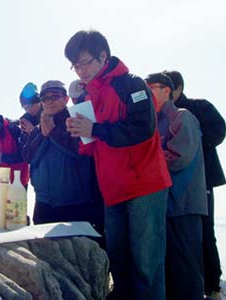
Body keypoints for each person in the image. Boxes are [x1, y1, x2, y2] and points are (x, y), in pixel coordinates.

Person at [64, 30, 172, 300]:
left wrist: (95, 129)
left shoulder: (132, 84)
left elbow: (142, 129)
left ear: (103, 56)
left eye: (85, 62)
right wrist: (81, 131)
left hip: (144, 185)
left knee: (146, 265)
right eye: (75, 65)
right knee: (119, 263)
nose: (80, 71)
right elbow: (93, 144)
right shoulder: (88, 96)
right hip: (112, 189)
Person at [164, 70, 226, 300]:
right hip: (175, 185)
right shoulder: (162, 115)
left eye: (167, 88)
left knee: (205, 232)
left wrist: (191, 138)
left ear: (178, 88)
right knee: (181, 237)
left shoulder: (199, 107)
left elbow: (219, 131)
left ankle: (213, 288)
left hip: (204, 180)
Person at [146, 72, 207, 300]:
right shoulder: (154, 121)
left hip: (184, 204)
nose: (148, 92)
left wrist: (148, 155)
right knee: (169, 269)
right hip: (164, 205)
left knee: (186, 270)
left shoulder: (182, 117)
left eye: (152, 87)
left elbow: (180, 157)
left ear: (167, 91)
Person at [22, 80, 103, 234]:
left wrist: (53, 132)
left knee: (81, 254)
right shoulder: (39, 128)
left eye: (55, 96)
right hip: (43, 203)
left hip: (76, 204)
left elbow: (81, 151)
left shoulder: (79, 119)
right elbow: (28, 157)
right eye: (45, 98)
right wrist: (43, 136)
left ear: (66, 99)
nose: (49, 101)